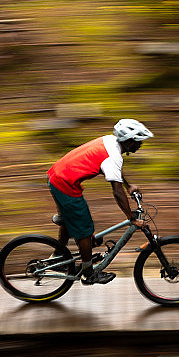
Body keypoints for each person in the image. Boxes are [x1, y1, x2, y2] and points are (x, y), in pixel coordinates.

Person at [47, 118, 153, 284]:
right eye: (139, 141)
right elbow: (116, 192)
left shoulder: (109, 141)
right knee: (85, 231)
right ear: (130, 141)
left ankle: (56, 258)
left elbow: (114, 170)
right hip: (65, 184)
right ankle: (88, 273)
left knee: (73, 223)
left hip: (57, 175)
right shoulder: (114, 157)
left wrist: (128, 186)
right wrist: (131, 218)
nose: (140, 145)